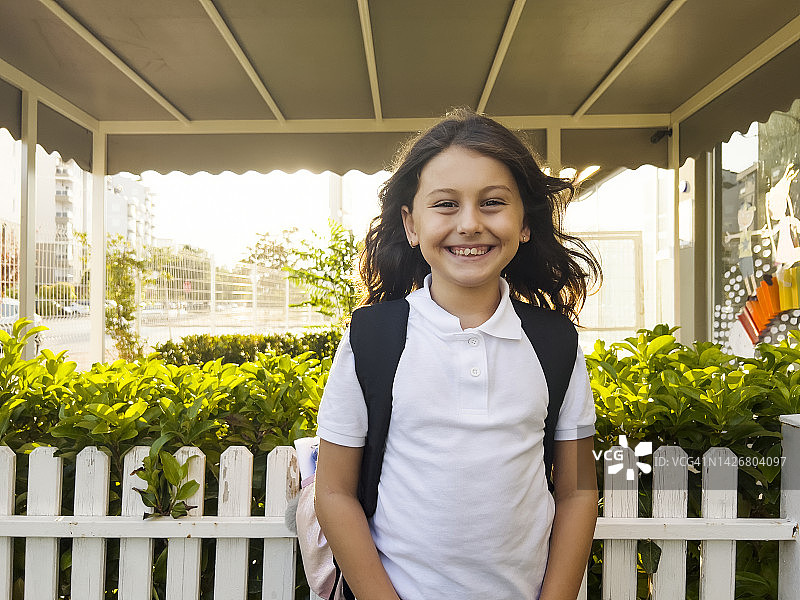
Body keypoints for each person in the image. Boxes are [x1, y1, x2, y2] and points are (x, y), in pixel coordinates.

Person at [314, 108, 601, 600]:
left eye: (492, 203)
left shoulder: (556, 344)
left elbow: (577, 490)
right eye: (446, 204)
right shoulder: (372, 339)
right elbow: (334, 492)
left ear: (525, 223)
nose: (470, 224)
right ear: (411, 223)